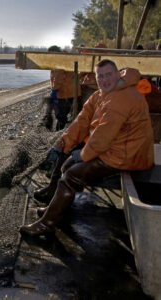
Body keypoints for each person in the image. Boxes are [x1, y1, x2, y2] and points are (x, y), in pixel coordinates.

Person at [20, 60, 154, 236]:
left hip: (128, 155)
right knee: (66, 165)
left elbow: (102, 137)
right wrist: (62, 144)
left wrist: (83, 155)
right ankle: (57, 209)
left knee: (71, 176)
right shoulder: (101, 95)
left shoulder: (121, 99)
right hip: (115, 149)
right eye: (100, 76)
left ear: (117, 75)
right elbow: (81, 122)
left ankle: (47, 224)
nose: (104, 80)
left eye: (108, 75)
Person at [41, 45, 81, 131]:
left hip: (65, 93)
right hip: (73, 92)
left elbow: (59, 77)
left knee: (61, 116)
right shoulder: (67, 57)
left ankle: (60, 133)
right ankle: (66, 130)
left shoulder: (60, 60)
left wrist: (55, 90)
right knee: (71, 114)